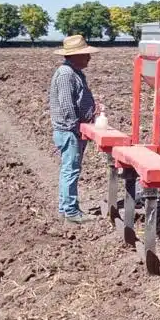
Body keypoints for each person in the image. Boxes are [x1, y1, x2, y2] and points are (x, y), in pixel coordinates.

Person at [49, 35, 98, 224]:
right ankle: (70, 211)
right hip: (69, 131)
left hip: (72, 129)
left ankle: (66, 208)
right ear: (74, 55)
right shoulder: (66, 74)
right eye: (85, 54)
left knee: (69, 169)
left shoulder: (74, 72)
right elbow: (67, 106)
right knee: (71, 170)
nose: (89, 58)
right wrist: (75, 128)